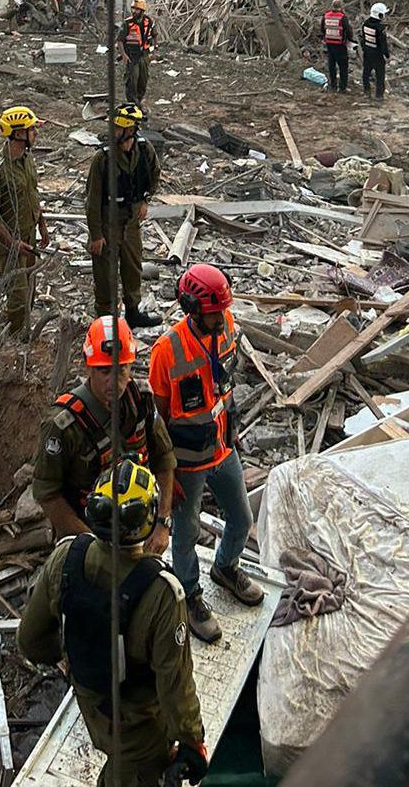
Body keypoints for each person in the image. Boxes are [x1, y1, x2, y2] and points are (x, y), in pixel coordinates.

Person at [18, 458, 208, 787]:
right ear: (147, 521)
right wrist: (192, 741)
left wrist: (69, 661)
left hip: (90, 702)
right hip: (137, 725)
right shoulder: (162, 593)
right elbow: (174, 683)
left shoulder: (66, 557)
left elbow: (30, 640)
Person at [149, 264, 263, 644]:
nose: (219, 318)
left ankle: (226, 567)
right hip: (187, 460)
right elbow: (160, 418)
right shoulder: (167, 350)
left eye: (222, 311)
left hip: (221, 446)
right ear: (191, 307)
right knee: (186, 532)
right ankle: (190, 594)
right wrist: (165, 475)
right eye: (213, 312)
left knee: (242, 518)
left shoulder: (227, 325)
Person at [33, 315, 176, 554]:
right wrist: (92, 546)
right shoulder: (63, 424)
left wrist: (162, 522)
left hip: (140, 526)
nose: (114, 381)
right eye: (104, 371)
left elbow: (164, 457)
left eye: (121, 370)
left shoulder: (140, 401)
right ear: (89, 367)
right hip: (88, 533)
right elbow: (47, 493)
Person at [85, 103, 161, 329]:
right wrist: (96, 235)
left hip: (131, 222)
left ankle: (133, 310)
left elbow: (154, 175)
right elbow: (92, 200)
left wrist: (145, 199)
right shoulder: (103, 158)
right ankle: (105, 319)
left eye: (118, 128)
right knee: (105, 273)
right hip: (108, 222)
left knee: (132, 266)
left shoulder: (144, 150)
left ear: (129, 130)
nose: (114, 132)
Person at [0, 106, 49, 331]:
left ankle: (23, 327)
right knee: (17, 295)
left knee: (29, 288)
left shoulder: (27, 159)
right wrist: (12, 243)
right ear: (18, 134)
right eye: (31, 130)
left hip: (29, 234)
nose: (35, 134)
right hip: (10, 241)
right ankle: (17, 338)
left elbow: (32, 193)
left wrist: (42, 226)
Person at [119, 0, 156, 104]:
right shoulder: (127, 23)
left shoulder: (148, 22)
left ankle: (138, 101)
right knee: (132, 80)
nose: (134, 11)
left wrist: (154, 50)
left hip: (144, 55)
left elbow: (154, 35)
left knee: (143, 80)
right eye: (133, 9)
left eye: (137, 9)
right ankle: (132, 103)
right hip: (132, 56)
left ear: (142, 11)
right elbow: (120, 41)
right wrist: (124, 55)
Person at [320, 1, 354, 93]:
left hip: (329, 44)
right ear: (341, 6)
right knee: (343, 67)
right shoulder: (342, 17)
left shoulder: (326, 16)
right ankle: (342, 88)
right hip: (340, 45)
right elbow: (348, 30)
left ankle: (333, 86)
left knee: (331, 66)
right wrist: (349, 40)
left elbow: (322, 29)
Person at [361, 2, 391, 101]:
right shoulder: (380, 28)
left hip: (367, 52)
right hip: (377, 54)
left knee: (366, 73)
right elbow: (383, 43)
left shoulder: (365, 23)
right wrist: (386, 55)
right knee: (380, 75)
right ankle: (379, 95)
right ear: (380, 14)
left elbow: (363, 39)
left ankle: (366, 91)